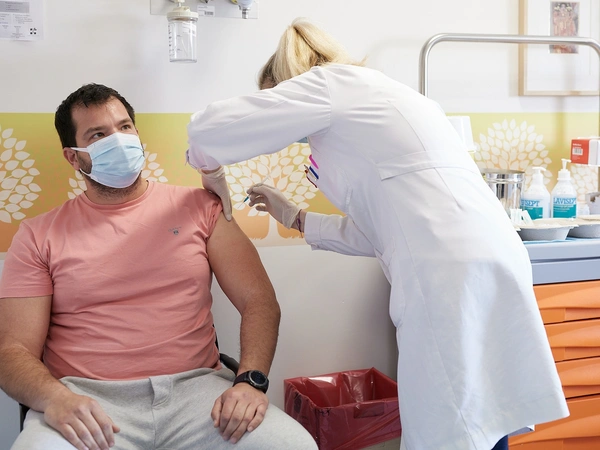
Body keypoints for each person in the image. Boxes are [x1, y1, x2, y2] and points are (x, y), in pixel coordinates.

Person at [185, 18, 570, 450]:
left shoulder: (327, 85)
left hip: (446, 273)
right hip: (492, 254)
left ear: (287, 87)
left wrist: (211, 170)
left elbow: (206, 129)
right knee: (483, 409)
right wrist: (296, 217)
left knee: (450, 418)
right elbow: (385, 230)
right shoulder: (389, 97)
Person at [0, 83, 317, 450]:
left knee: (294, 445)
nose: (118, 140)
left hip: (198, 393)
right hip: (86, 401)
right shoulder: (38, 234)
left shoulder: (201, 207)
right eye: (98, 135)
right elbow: (12, 350)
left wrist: (250, 381)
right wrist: (54, 398)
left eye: (124, 127)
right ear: (73, 157)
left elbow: (258, 300)